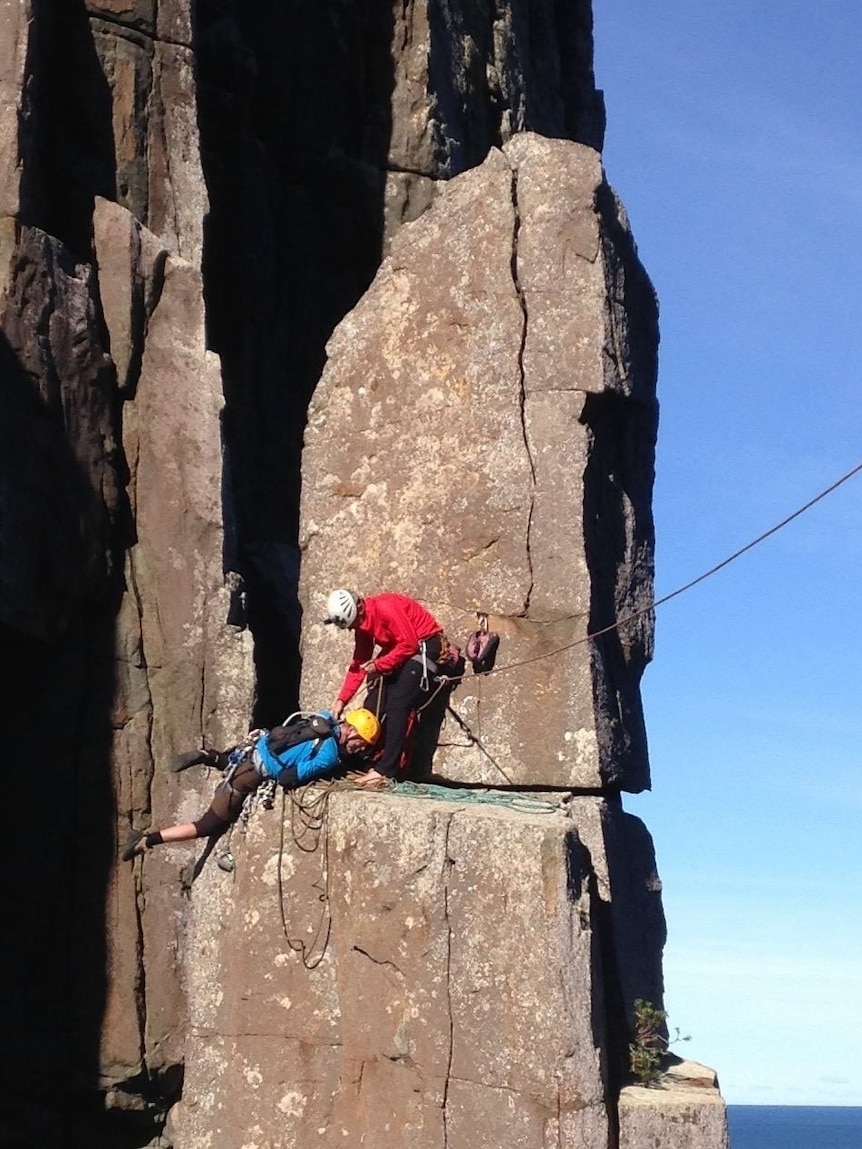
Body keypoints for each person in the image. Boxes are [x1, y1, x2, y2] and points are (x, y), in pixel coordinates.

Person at [121, 708, 381, 861]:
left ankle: (209, 756)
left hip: (256, 747)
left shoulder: (324, 718)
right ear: (354, 732)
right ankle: (147, 840)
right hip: (253, 773)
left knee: (237, 763)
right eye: (362, 744)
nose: (360, 750)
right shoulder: (329, 755)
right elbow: (287, 778)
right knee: (207, 826)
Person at [323, 589, 447, 785]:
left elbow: (409, 644)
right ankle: (371, 758)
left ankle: (387, 769)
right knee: (374, 701)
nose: (352, 629)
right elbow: (358, 664)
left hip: (426, 645)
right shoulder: (362, 625)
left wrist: (380, 665)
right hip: (403, 650)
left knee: (398, 704)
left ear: (358, 610)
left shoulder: (385, 607)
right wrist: (341, 700)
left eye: (353, 624)